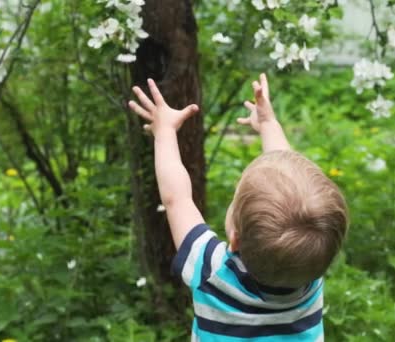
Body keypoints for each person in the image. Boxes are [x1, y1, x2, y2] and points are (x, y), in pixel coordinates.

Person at [128, 73, 349, 341]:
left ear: (235, 239)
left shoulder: (211, 270)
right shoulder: (308, 272)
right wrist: (269, 125)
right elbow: (288, 176)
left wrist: (164, 132)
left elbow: (177, 199)